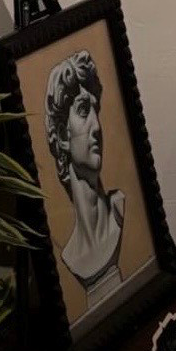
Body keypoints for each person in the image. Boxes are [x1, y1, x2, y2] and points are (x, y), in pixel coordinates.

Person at [44, 50, 124, 308]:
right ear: (62, 136)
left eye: (95, 110)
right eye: (83, 111)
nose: (97, 126)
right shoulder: (69, 255)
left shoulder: (120, 209)